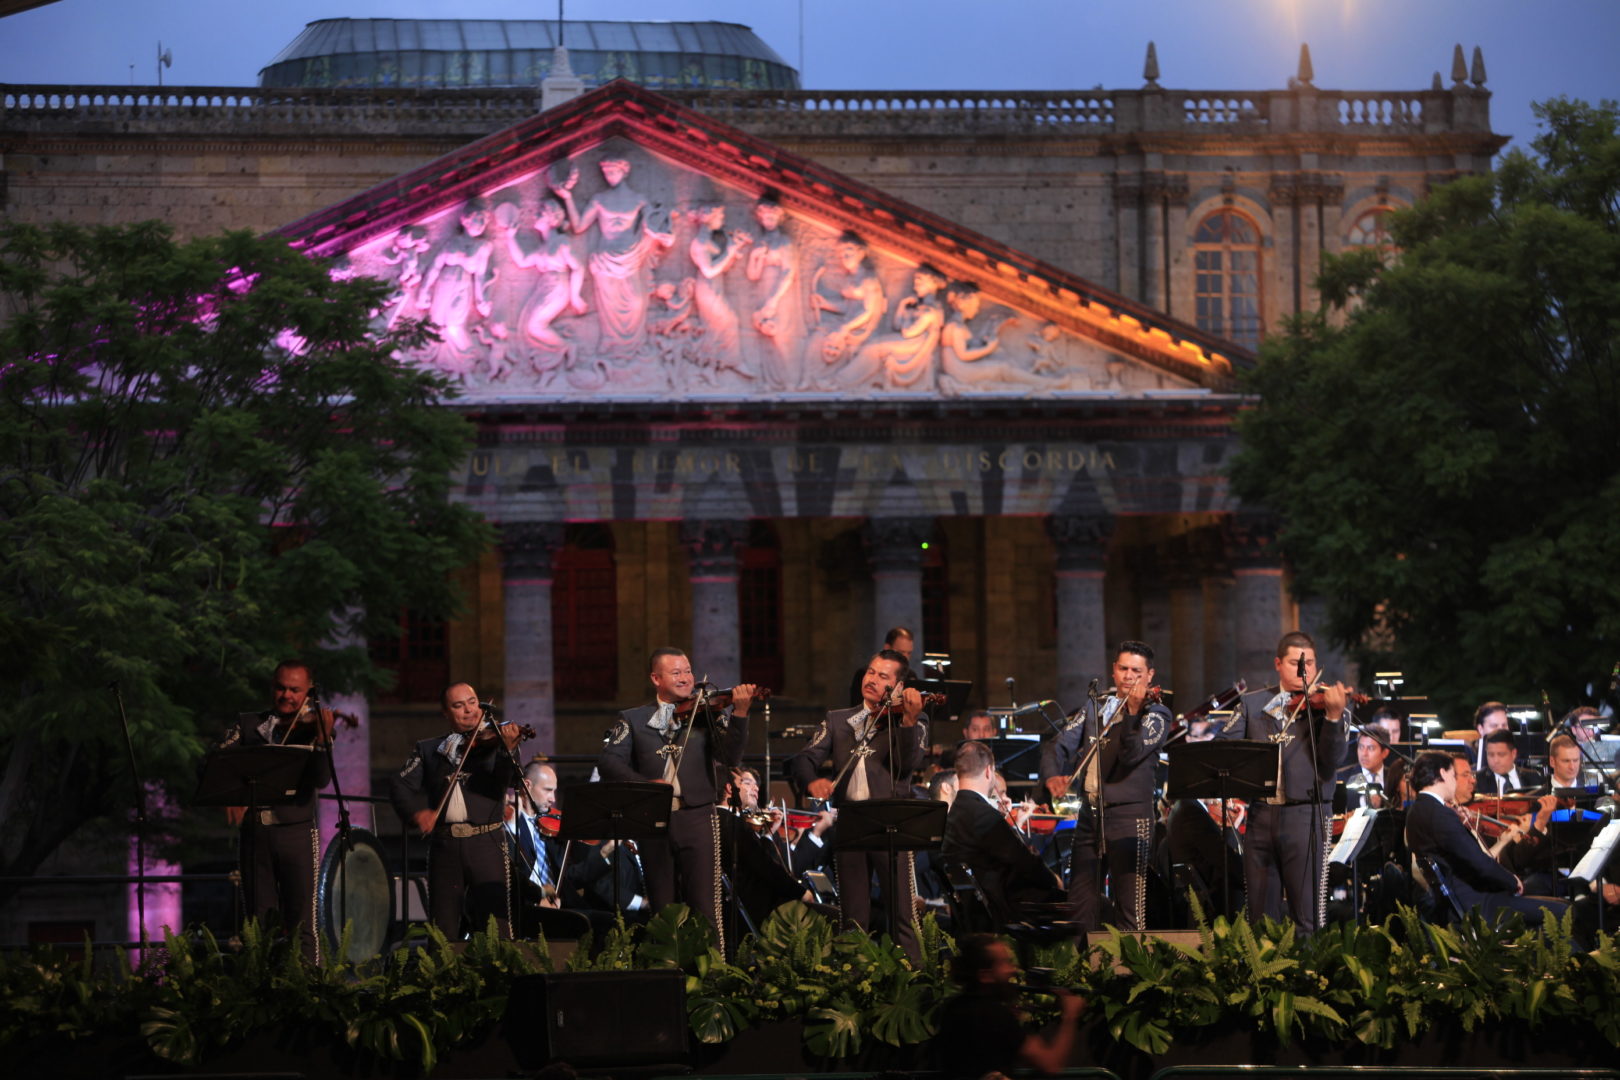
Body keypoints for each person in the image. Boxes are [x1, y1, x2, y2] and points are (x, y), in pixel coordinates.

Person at [596, 648, 753, 946]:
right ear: (656, 678)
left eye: (688, 671)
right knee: (662, 907)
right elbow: (609, 762)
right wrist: (645, 785)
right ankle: (667, 977)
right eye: (676, 672)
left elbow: (730, 756)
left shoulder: (706, 714)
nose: (686, 678)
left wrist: (741, 714)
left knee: (705, 905)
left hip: (698, 817)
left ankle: (712, 978)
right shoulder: (632, 718)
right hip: (654, 819)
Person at [789, 648, 929, 959]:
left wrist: (908, 720)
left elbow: (907, 764)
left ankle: (914, 983)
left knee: (903, 915)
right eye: (870, 672)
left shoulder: (914, 721)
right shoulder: (838, 720)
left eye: (883, 676)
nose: (872, 679)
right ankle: (853, 984)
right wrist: (812, 781)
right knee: (852, 917)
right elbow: (804, 758)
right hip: (850, 821)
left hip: (892, 823)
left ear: (899, 686)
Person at [1217, 631, 1350, 934]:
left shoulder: (1327, 707)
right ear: (1278, 663)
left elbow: (1334, 759)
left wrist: (1332, 717)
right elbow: (1224, 748)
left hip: (1307, 813)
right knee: (1260, 917)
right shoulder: (1253, 705)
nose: (1304, 671)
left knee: (1306, 914)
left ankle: (1306, 978)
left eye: (1310, 664)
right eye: (1295, 663)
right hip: (1262, 814)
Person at [1039, 640, 1171, 930]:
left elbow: (1132, 753)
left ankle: (1129, 971)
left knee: (1129, 908)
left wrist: (1133, 713)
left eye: (1136, 671)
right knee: (1080, 903)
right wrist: (1052, 775)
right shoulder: (1094, 709)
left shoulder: (1157, 714)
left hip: (1130, 818)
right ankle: (1081, 969)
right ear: (1113, 671)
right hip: (1091, 815)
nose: (1128, 676)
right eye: (1123, 668)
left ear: (1150, 675)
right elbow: (1058, 744)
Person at [219, 659, 335, 961]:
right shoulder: (247, 724)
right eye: (281, 688)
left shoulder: (314, 728)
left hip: (296, 831)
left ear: (308, 692)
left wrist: (323, 741)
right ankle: (262, 990)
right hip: (255, 831)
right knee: (258, 921)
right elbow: (215, 762)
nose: (287, 695)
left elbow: (321, 778)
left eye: (295, 690)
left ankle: (309, 987)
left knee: (303, 920)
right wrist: (233, 793)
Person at [390, 682, 524, 939]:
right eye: (458, 705)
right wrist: (417, 814)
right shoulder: (429, 749)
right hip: (445, 844)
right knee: (443, 928)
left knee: (497, 927)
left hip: (487, 841)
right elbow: (400, 785)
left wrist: (509, 750)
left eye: (472, 702)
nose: (468, 710)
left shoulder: (496, 743)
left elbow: (514, 782)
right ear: (445, 713)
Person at [1406, 751, 1568, 927]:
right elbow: (1478, 861)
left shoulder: (1416, 812)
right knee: (1563, 913)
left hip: (1457, 903)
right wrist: (1511, 881)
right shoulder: (1440, 814)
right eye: (1453, 775)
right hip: (1477, 904)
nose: (1454, 782)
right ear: (1443, 773)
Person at [942, 741, 1066, 926]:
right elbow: (1022, 860)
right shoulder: (983, 814)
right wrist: (1053, 879)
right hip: (1007, 908)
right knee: (1096, 905)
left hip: (978, 908)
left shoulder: (955, 813)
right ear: (988, 771)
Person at [931, 934, 1086, 1078]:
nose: (1013, 970)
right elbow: (1051, 1064)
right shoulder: (993, 1015)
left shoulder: (953, 1008)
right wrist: (1070, 1016)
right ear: (985, 975)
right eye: (1004, 963)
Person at [847, 626, 916, 706]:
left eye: (909, 653)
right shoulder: (862, 673)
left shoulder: (912, 676)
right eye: (901, 652)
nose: (906, 657)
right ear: (887, 647)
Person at [1350, 729, 1406, 809]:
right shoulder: (1345, 777)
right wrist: (1365, 802)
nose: (1364, 754)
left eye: (1371, 748)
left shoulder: (1394, 776)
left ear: (1385, 753)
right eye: (1361, 747)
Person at [1481, 730, 1544, 795]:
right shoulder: (1478, 780)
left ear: (1513, 754)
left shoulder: (1534, 777)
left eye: (1501, 754)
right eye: (1491, 755)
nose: (1495, 760)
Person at [1471, 701, 1511, 770]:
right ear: (1480, 729)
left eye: (1504, 725)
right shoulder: (1470, 757)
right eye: (1494, 726)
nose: (1501, 730)